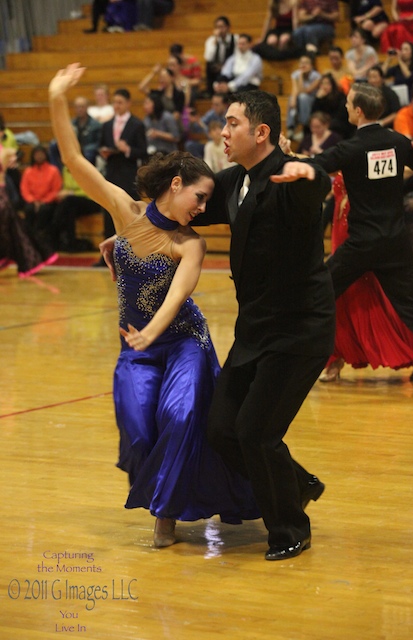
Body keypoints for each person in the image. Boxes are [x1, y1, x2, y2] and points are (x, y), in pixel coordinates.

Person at [48, 63, 261, 548]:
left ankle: (165, 518)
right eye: (200, 198)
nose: (202, 210)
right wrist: (57, 97)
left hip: (184, 341)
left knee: (181, 419)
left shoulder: (190, 244)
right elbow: (74, 160)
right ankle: (167, 503)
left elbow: (180, 293)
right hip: (136, 349)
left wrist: (151, 331)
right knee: (140, 431)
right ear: (176, 184)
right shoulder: (124, 212)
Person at [191, 90, 335, 561]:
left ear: (261, 132)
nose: (223, 132)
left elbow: (314, 186)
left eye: (232, 123)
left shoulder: (289, 177)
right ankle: (298, 483)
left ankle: (291, 528)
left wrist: (310, 173)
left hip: (299, 331)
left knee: (255, 431)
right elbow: (186, 205)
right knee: (222, 430)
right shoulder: (233, 180)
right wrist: (131, 230)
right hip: (255, 330)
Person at [287, 83, 413, 375]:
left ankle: (293, 353)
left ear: (359, 111)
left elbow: (315, 165)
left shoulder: (351, 148)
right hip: (396, 243)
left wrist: (286, 157)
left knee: (319, 290)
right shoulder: (399, 142)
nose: (346, 107)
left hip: (362, 244)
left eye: (349, 103)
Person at [319, 171, 413, 381]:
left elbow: (406, 171)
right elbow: (324, 166)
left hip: (362, 232)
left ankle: (410, 353)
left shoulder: (376, 159)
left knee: (368, 294)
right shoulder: (345, 157)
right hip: (340, 230)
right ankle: (335, 360)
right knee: (337, 298)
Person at [0, 145, 58, 278]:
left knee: (12, 229)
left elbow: (16, 152)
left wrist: (13, 158)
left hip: (1, 196)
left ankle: (31, 259)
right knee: (14, 229)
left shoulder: (4, 151)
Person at [98, 87, 148, 242]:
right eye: (114, 102)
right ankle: (107, 249)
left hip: (128, 173)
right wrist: (103, 152)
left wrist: (128, 149)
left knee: (128, 210)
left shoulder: (137, 124)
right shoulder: (107, 125)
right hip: (111, 171)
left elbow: (143, 151)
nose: (116, 106)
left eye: (120, 102)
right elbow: (100, 145)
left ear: (128, 103)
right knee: (109, 209)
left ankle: (131, 248)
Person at [20, 145, 62, 256]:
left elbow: (56, 189)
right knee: (29, 210)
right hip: (32, 201)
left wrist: (44, 201)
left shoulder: (53, 170)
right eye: (36, 154)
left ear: (45, 155)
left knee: (44, 211)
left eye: (41, 154)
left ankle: (39, 239)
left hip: (48, 202)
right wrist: (33, 201)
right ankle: (29, 239)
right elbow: (24, 189)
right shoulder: (28, 171)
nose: (39, 156)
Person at [286, 53, 322, 139]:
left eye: (306, 63)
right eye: (301, 63)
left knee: (303, 97)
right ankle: (290, 127)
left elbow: (305, 91)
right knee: (291, 98)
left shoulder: (317, 76)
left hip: (312, 99)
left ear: (311, 65)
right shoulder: (295, 74)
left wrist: (301, 76)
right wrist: (293, 100)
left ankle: (304, 127)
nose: (303, 65)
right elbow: (295, 89)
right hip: (300, 99)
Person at [204, 16, 239, 96]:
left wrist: (226, 66)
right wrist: (215, 40)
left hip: (231, 67)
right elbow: (208, 57)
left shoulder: (236, 39)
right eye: (217, 27)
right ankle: (210, 92)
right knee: (209, 66)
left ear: (228, 27)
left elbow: (238, 57)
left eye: (222, 27)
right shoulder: (211, 40)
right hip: (217, 68)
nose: (220, 30)